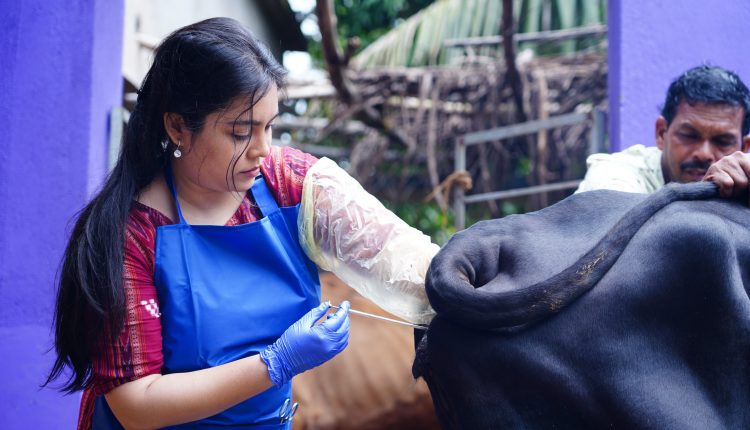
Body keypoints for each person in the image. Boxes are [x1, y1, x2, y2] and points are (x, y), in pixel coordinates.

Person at [45, 18, 438, 429]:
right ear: (178, 127)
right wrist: (275, 363)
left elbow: (404, 262)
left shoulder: (291, 183)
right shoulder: (131, 235)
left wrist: (464, 276)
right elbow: (136, 404)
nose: (263, 149)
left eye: (270, 127)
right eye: (240, 133)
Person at [576, 65, 750, 195]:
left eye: (722, 141)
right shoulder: (616, 176)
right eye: (689, 136)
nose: (704, 154)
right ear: (661, 133)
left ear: (744, 148)